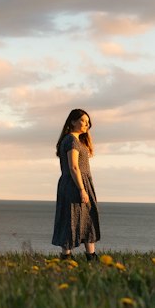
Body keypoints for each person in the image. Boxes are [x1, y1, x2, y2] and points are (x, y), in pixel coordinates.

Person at [52, 108, 101, 259]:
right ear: (73, 121)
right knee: (71, 218)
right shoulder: (71, 140)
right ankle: (68, 258)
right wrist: (81, 189)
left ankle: (89, 255)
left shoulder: (75, 140)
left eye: (88, 122)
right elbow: (73, 167)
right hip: (75, 183)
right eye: (83, 121)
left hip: (79, 182)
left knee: (86, 217)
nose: (86, 124)